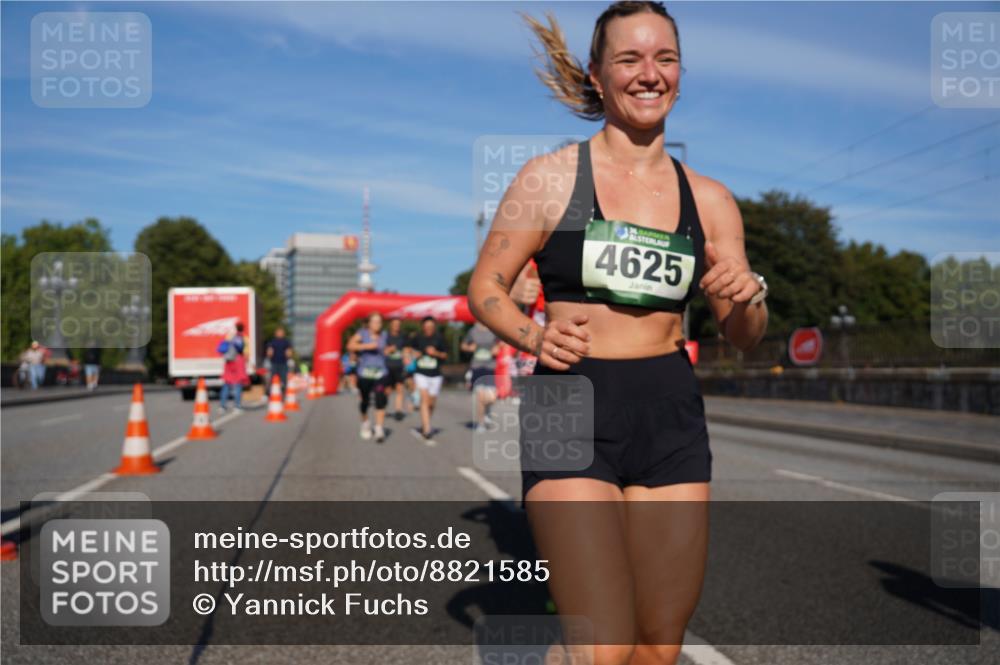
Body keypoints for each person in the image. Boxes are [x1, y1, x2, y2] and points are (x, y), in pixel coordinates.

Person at [467, 3, 769, 663]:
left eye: (664, 58)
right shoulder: (547, 179)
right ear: (599, 76)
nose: (649, 73)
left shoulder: (711, 200)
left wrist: (748, 294)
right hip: (567, 401)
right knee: (602, 645)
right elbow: (485, 287)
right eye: (629, 59)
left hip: (669, 407)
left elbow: (744, 334)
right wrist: (531, 335)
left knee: (657, 646)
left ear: (680, 73)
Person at [346, 313, 391, 443]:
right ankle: (365, 423)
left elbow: (387, 349)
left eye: (380, 322)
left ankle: (379, 428)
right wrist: (366, 346)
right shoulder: (362, 333)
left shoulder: (384, 335)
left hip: (380, 372)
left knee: (380, 398)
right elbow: (350, 346)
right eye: (375, 321)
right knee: (365, 401)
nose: (378, 324)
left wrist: (388, 350)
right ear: (369, 323)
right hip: (364, 373)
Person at [407, 316, 448, 441]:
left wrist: (435, 353)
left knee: (431, 403)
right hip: (421, 373)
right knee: (424, 400)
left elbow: (445, 355)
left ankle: (426, 423)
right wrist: (415, 354)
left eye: (431, 326)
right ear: (423, 326)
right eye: (426, 326)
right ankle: (427, 429)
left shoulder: (440, 338)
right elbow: (409, 351)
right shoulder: (417, 338)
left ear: (434, 327)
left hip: (435, 375)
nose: (429, 328)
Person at [461, 321, 499, 432]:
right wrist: (469, 348)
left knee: (492, 397)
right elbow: (463, 345)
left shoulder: (494, 329)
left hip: (491, 367)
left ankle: (487, 412)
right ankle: (481, 423)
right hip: (477, 367)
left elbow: (503, 342)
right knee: (480, 397)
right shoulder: (473, 331)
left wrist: (497, 348)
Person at [218, 322, 249, 412]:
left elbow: (223, 348)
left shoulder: (229, 336)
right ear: (243, 328)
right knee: (238, 384)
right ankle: (237, 406)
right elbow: (245, 353)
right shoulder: (244, 338)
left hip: (228, 362)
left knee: (227, 384)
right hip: (239, 362)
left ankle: (222, 406)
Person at [384, 318, 411, 419]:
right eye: (395, 324)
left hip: (399, 366)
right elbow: (381, 350)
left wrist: (406, 353)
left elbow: (407, 348)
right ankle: (384, 408)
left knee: (400, 388)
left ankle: (398, 410)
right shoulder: (385, 336)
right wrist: (389, 349)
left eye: (398, 324)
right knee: (388, 389)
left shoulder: (403, 336)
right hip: (387, 366)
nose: (397, 326)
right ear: (390, 325)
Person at [265, 327, 294, 395]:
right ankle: (272, 392)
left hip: (283, 363)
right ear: (276, 333)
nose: (280, 334)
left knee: (283, 379)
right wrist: (269, 354)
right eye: (279, 332)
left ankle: (283, 392)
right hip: (274, 363)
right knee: (273, 378)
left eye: (281, 332)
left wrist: (289, 355)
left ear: (283, 334)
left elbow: (289, 351)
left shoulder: (286, 342)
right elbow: (269, 351)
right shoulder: (272, 342)